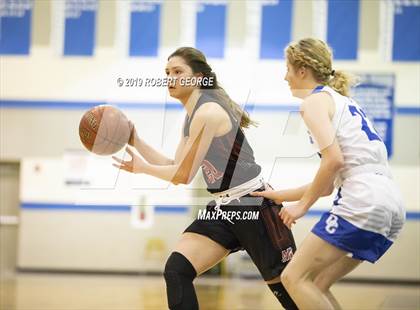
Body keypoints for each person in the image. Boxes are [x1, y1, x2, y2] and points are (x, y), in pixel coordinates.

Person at [112, 47, 298, 310]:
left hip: (252, 205)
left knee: (288, 292)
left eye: (178, 72)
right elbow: (175, 166)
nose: (170, 78)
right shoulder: (191, 116)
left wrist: (142, 168)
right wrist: (136, 141)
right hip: (224, 208)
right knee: (177, 270)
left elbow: (183, 176)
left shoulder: (207, 112)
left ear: (198, 78)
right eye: (167, 73)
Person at [251, 38, 405, 309]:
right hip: (389, 202)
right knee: (317, 283)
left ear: (302, 70)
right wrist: (278, 195)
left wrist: (300, 207)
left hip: (363, 198)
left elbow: (333, 161)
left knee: (293, 277)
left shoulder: (314, 103)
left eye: (287, 68)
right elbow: (326, 185)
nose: (284, 76)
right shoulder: (341, 101)